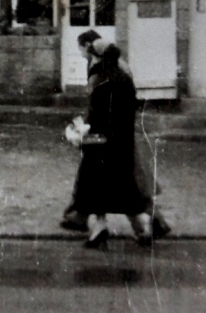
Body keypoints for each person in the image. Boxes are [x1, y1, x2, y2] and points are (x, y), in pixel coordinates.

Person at [60, 32, 171, 238]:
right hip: (124, 139)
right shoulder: (124, 77)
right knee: (124, 183)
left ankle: (99, 224)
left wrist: (83, 130)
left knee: (108, 182)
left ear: (98, 55)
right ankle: (142, 227)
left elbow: (96, 112)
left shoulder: (100, 78)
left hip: (104, 140)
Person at [70, 43, 152, 248]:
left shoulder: (102, 83)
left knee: (93, 185)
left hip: (101, 144)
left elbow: (98, 117)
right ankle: (138, 225)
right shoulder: (125, 81)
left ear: (101, 58)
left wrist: (82, 130)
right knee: (121, 187)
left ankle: (105, 227)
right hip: (122, 144)